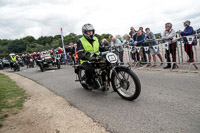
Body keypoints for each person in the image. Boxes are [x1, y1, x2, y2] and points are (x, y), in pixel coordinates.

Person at [77, 23, 107, 89]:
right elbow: (80, 53)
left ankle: (104, 81)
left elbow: (101, 48)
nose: (91, 33)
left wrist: (109, 49)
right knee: (89, 69)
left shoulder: (96, 39)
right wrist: (88, 58)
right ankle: (88, 82)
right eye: (89, 31)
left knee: (107, 66)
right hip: (86, 59)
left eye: (92, 31)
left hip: (97, 57)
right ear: (84, 32)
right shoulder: (80, 41)